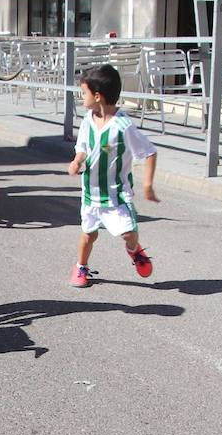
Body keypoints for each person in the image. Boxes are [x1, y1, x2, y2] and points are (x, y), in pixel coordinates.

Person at [67, 64, 157, 288]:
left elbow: (149, 152)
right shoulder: (89, 118)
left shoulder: (123, 126)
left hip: (117, 194)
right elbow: (83, 145)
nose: (82, 98)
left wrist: (147, 185)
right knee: (88, 234)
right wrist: (77, 160)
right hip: (91, 193)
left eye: (84, 93)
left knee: (128, 233)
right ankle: (81, 267)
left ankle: (134, 250)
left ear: (97, 96)